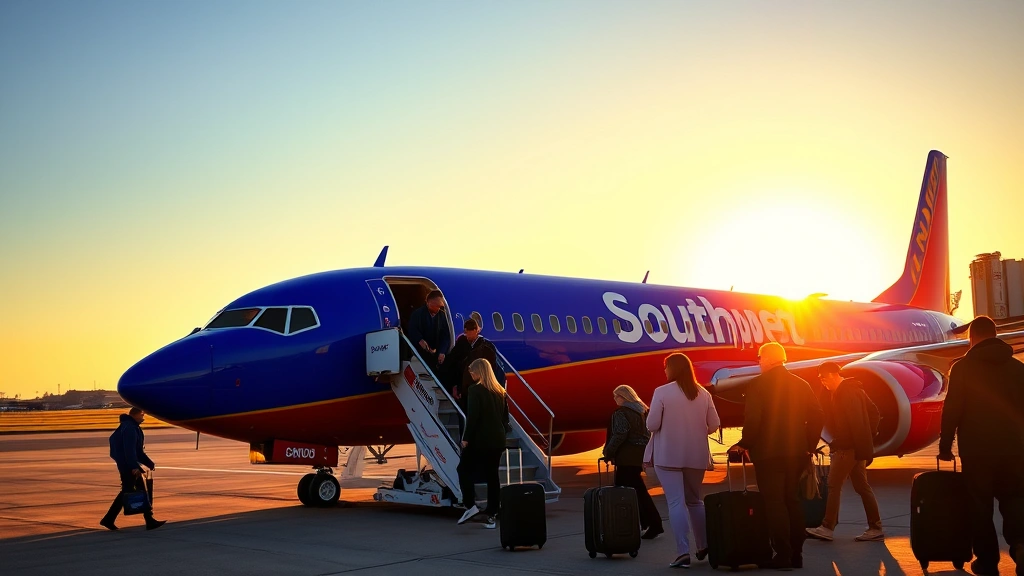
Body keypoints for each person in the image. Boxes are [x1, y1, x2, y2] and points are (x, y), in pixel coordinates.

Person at [938, 315, 1024, 576]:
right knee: (1016, 501)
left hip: (977, 453)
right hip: (1016, 451)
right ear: (996, 335)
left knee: (980, 507)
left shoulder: (963, 368)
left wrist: (945, 445)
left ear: (971, 338)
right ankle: (1021, 548)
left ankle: (987, 562)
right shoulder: (1018, 368)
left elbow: (952, 409)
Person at [730, 342, 823, 570]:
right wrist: (809, 445)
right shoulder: (801, 384)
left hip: (769, 454)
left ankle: (782, 555)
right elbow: (818, 415)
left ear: (770, 359)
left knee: (775, 503)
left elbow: (754, 419)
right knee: (792, 500)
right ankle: (796, 555)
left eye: (760, 357)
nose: (758, 361)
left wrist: (744, 444)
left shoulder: (758, 385)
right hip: (796, 452)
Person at [646, 353, 721, 568]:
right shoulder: (703, 393)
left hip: (668, 454)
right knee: (695, 501)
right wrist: (697, 432)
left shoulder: (662, 392)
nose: (664, 371)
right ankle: (703, 544)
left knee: (676, 502)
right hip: (696, 455)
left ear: (672, 368)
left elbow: (651, 425)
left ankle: (682, 552)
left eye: (666, 367)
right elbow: (714, 424)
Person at [806, 361, 884, 543]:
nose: (823, 382)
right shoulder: (854, 389)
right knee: (862, 487)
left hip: (847, 448)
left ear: (833, 375)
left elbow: (855, 423)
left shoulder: (845, 393)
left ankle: (827, 527)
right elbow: (874, 413)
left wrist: (842, 442)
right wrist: (868, 436)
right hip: (857, 447)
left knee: (833, 485)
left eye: (823, 378)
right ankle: (875, 527)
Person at [602, 384, 664, 540]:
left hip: (626, 457)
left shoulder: (622, 413)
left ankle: (653, 523)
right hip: (639, 456)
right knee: (635, 490)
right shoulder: (642, 411)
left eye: (616, 396)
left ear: (623, 397)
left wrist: (608, 451)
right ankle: (645, 522)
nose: (615, 399)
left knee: (630, 491)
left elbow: (620, 434)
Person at [456, 358, 510, 530]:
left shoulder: (475, 390)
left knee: (463, 469)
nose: (471, 375)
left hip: (481, 439)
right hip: (498, 440)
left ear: (479, 371)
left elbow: (473, 418)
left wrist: (466, 438)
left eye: (472, 372)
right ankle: (492, 513)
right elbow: (505, 419)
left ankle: (470, 505)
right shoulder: (500, 391)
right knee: (492, 476)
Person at [100, 407, 166, 531]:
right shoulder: (130, 428)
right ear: (135, 415)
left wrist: (150, 464)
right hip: (128, 466)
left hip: (127, 465)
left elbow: (138, 451)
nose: (143, 417)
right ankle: (149, 520)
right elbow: (129, 450)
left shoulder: (130, 426)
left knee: (127, 491)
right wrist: (133, 467)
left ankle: (109, 519)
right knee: (137, 490)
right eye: (142, 415)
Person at [406, 290, 451, 373]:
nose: (437, 309)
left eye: (439, 306)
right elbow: (412, 330)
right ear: (428, 302)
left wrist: (442, 352)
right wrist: (419, 340)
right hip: (420, 353)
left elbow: (445, 336)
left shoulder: (442, 316)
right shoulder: (417, 314)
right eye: (435, 305)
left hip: (436, 353)